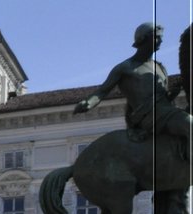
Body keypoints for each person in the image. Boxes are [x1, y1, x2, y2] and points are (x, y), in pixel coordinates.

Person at [75, 22, 192, 159]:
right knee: (190, 124)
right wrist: (88, 103)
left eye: (161, 37)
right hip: (149, 116)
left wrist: (171, 95)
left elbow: (161, 97)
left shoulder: (160, 68)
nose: (160, 41)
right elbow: (102, 91)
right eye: (156, 37)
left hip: (166, 112)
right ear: (143, 39)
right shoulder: (125, 68)